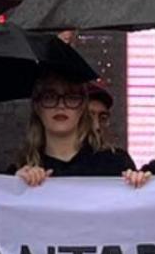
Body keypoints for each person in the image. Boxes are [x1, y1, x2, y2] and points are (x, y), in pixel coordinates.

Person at [14, 74, 147, 185]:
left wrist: (138, 186)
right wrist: (15, 187)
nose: (61, 106)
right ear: (37, 107)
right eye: (50, 97)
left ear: (83, 108)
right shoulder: (22, 169)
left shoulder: (115, 162)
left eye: (71, 98)